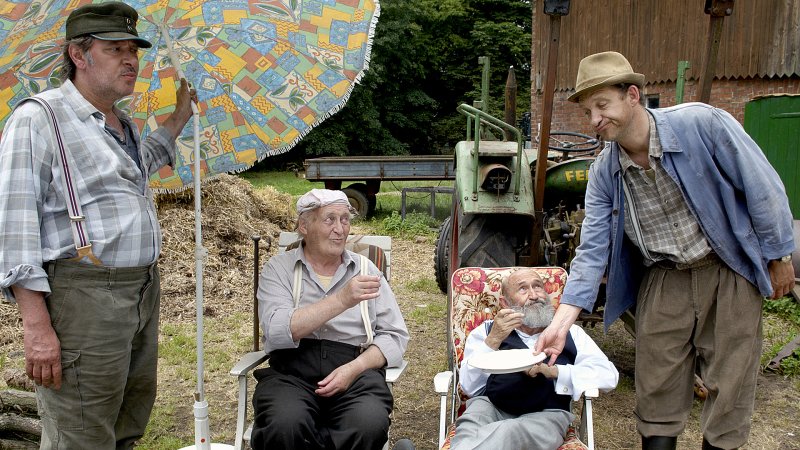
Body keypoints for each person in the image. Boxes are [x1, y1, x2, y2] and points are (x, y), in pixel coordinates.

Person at [534, 51, 796, 450]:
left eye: (602, 105)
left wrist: (780, 257)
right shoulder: (605, 171)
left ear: (632, 95)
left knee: (731, 383)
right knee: (657, 386)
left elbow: (762, 187)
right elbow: (592, 250)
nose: (595, 120)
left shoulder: (702, 124)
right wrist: (561, 323)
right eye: (588, 112)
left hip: (726, 270)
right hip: (663, 279)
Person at [0, 2, 196, 448]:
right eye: (115, 49)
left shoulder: (120, 123)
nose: (131, 61)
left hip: (142, 290)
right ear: (79, 55)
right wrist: (37, 328)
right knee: (81, 433)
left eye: (134, 50)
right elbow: (14, 226)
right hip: (85, 297)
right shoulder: (39, 118)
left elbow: (138, 167)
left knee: (127, 419)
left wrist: (179, 116)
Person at [252, 188, 410, 450]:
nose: (340, 229)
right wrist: (342, 299)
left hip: (356, 373)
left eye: (345, 220)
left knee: (368, 423)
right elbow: (276, 330)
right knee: (285, 423)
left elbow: (394, 336)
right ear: (304, 226)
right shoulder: (279, 269)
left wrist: (355, 368)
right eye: (330, 220)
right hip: (292, 374)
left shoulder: (365, 270)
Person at [451, 268, 618, 450]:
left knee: (509, 431)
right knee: (468, 431)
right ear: (505, 303)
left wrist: (555, 372)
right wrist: (493, 341)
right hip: (490, 407)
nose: (534, 295)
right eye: (523, 289)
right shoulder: (487, 332)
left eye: (538, 287)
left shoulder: (568, 333)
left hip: (547, 414)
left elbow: (609, 375)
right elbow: (470, 387)